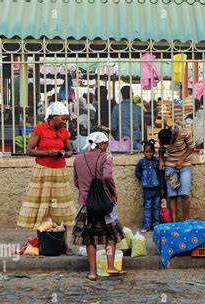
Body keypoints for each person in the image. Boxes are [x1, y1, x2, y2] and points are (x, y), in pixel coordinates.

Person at [17, 101, 76, 255]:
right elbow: (29, 150)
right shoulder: (40, 129)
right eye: (63, 119)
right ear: (53, 116)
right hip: (42, 172)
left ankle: (64, 244)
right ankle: (43, 243)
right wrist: (47, 153)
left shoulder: (64, 132)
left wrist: (63, 154)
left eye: (66, 120)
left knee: (61, 208)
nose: (64, 122)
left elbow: (70, 151)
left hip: (59, 173)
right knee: (42, 207)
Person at [72, 132, 126, 281]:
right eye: (106, 144)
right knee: (111, 236)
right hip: (105, 204)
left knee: (90, 239)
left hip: (85, 205)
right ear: (101, 144)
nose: (107, 147)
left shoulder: (78, 159)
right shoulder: (106, 157)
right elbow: (107, 176)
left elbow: (76, 181)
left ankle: (92, 272)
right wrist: (112, 193)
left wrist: (86, 193)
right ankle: (110, 266)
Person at [158, 127, 195, 222]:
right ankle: (174, 221)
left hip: (184, 166)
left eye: (170, 143)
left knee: (184, 195)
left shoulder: (184, 133)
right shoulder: (163, 138)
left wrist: (181, 160)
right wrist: (161, 160)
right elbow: (161, 150)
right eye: (167, 144)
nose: (169, 145)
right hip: (170, 168)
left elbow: (191, 148)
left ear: (173, 135)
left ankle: (186, 220)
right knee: (172, 195)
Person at [135, 140, 165, 232]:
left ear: (153, 152)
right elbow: (137, 172)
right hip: (146, 189)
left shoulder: (157, 162)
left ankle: (156, 224)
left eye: (150, 152)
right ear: (144, 152)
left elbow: (161, 175)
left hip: (156, 189)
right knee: (147, 207)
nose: (148, 153)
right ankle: (146, 225)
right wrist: (142, 179)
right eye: (146, 152)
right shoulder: (141, 162)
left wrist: (162, 187)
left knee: (156, 206)